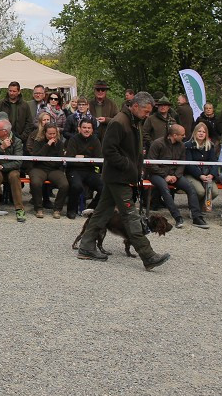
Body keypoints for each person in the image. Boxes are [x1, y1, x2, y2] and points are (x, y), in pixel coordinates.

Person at [75, 91, 170, 270]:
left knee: (101, 213)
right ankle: (148, 255)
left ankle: (86, 247)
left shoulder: (135, 121)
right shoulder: (119, 122)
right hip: (118, 177)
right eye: (146, 111)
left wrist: (136, 169)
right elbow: (108, 151)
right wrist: (128, 165)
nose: (148, 115)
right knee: (131, 216)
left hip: (122, 176)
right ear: (135, 106)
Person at [146, 124, 208, 229]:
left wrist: (176, 176)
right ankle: (177, 217)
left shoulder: (182, 146)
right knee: (165, 189)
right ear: (174, 135)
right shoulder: (157, 144)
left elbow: (182, 163)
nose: (184, 136)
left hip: (175, 174)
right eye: (182, 135)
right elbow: (151, 164)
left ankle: (197, 217)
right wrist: (165, 175)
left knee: (190, 188)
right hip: (157, 174)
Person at [27, 122, 67, 219]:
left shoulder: (60, 143)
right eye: (50, 134)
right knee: (36, 183)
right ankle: (38, 208)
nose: (52, 136)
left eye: (54, 134)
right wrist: (47, 146)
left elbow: (60, 160)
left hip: (54, 169)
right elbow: (36, 157)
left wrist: (54, 164)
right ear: (45, 133)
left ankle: (57, 209)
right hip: (39, 168)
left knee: (64, 184)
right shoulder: (38, 141)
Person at [65, 118, 103, 219]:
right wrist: (90, 160)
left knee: (104, 187)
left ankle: (90, 209)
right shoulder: (73, 140)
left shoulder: (95, 140)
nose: (87, 130)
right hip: (74, 170)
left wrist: (84, 157)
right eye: (84, 127)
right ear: (79, 128)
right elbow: (70, 158)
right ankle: (71, 210)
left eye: (89, 128)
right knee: (76, 186)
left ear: (92, 129)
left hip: (90, 171)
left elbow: (99, 160)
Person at [183, 122, 219, 216]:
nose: (201, 133)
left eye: (204, 131)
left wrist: (211, 175)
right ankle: (194, 210)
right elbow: (189, 165)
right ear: (195, 132)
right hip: (192, 174)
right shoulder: (187, 145)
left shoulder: (210, 146)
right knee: (200, 191)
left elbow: (214, 162)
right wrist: (200, 176)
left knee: (214, 192)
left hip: (207, 175)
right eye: (199, 131)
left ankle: (198, 208)